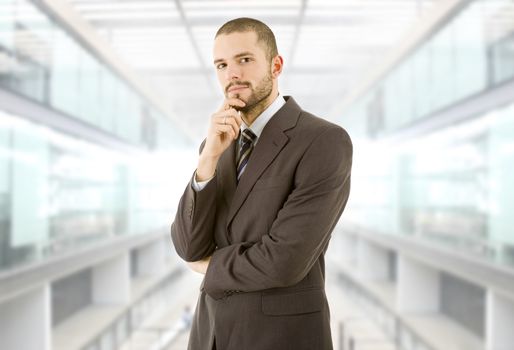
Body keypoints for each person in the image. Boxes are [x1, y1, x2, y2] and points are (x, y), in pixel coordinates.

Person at [171, 17, 352, 350]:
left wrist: (209, 267)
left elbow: (285, 260)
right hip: (209, 336)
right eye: (222, 65)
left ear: (276, 65)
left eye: (244, 60)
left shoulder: (323, 141)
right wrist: (207, 161)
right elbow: (187, 247)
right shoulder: (217, 145)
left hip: (281, 339)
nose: (232, 74)